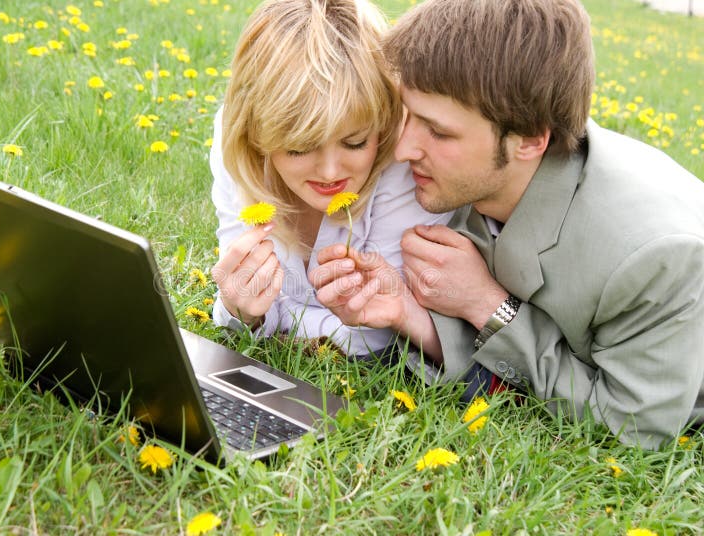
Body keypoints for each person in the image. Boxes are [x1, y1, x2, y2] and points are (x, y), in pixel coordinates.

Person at [311, 0, 704, 447]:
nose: (402, 150)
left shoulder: (657, 257)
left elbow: (633, 429)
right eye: (408, 116)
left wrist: (488, 306)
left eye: (438, 132)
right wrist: (412, 315)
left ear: (531, 140)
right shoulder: (474, 177)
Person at [209, 0, 451, 357]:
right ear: (257, 136)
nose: (330, 172)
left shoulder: (405, 164)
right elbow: (237, 302)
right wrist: (238, 310)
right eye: (299, 148)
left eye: (354, 142)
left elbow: (379, 331)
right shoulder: (238, 145)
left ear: (382, 124)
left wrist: (280, 322)